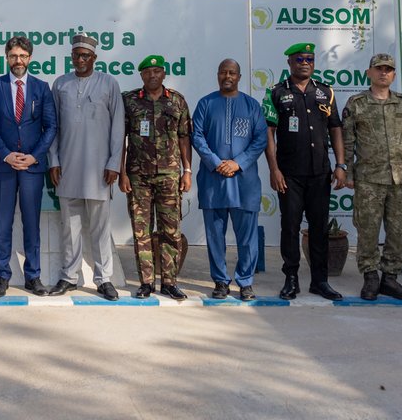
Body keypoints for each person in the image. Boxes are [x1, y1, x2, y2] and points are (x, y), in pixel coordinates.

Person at [263, 42, 346, 302]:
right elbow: (269, 133)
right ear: (289, 62)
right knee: (290, 227)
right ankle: (291, 279)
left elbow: (335, 128)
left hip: (320, 172)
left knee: (319, 228)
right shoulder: (276, 93)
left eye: (309, 59)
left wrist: (341, 165)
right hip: (289, 174)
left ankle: (320, 281)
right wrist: (274, 169)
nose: (305, 63)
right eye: (299, 59)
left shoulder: (325, 92)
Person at [46, 34, 124, 301]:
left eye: (85, 56)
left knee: (100, 228)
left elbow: (118, 127)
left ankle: (104, 279)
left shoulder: (108, 84)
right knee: (70, 227)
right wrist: (53, 160)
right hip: (67, 168)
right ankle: (69, 276)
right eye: (76, 55)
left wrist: (114, 162)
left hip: (99, 170)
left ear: (94, 58)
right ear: (71, 57)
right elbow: (52, 127)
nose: (80, 60)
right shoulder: (61, 84)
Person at [0, 35, 57, 298]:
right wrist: (5, 154)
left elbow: (51, 126)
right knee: (3, 223)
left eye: (23, 56)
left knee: (31, 223)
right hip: (4, 166)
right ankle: (2, 275)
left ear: (30, 58)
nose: (18, 60)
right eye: (13, 56)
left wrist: (35, 156)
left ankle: (33, 276)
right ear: (6, 57)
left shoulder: (41, 87)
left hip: (32, 168)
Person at [341, 53, 402, 302]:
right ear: (369, 73)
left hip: (399, 179)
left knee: (399, 230)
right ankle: (371, 277)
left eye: (388, 69)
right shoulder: (356, 104)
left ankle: (390, 278)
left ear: (394, 74)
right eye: (379, 69)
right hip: (368, 179)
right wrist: (348, 173)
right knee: (367, 231)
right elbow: (347, 142)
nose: (383, 73)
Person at [191, 58, 267, 301]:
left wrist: (238, 162)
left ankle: (245, 282)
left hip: (244, 182)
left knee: (247, 237)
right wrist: (215, 162)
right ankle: (221, 281)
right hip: (214, 181)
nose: (228, 76)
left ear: (239, 76)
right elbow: (197, 137)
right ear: (217, 75)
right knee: (215, 236)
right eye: (223, 72)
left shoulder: (252, 105)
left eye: (232, 73)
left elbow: (260, 140)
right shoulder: (205, 104)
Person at [120, 55, 192, 301]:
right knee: (141, 232)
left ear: (163, 73)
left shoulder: (176, 101)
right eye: (147, 72)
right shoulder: (129, 101)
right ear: (141, 76)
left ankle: (170, 282)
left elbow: (184, 138)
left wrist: (187, 171)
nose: (152, 76)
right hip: (138, 176)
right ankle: (147, 283)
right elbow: (120, 138)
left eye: (157, 71)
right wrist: (122, 173)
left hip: (169, 176)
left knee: (171, 231)